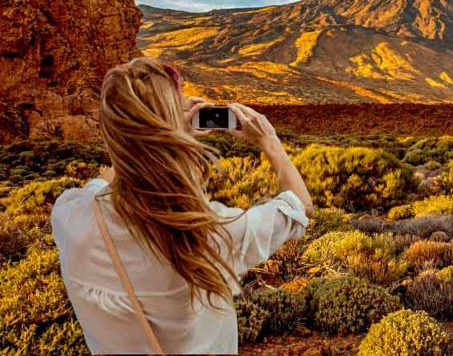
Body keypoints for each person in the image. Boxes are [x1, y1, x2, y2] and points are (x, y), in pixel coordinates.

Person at [50, 57, 314, 354]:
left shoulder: (71, 214)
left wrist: (160, 135)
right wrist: (269, 140)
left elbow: (112, 177)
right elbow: (299, 207)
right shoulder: (208, 233)